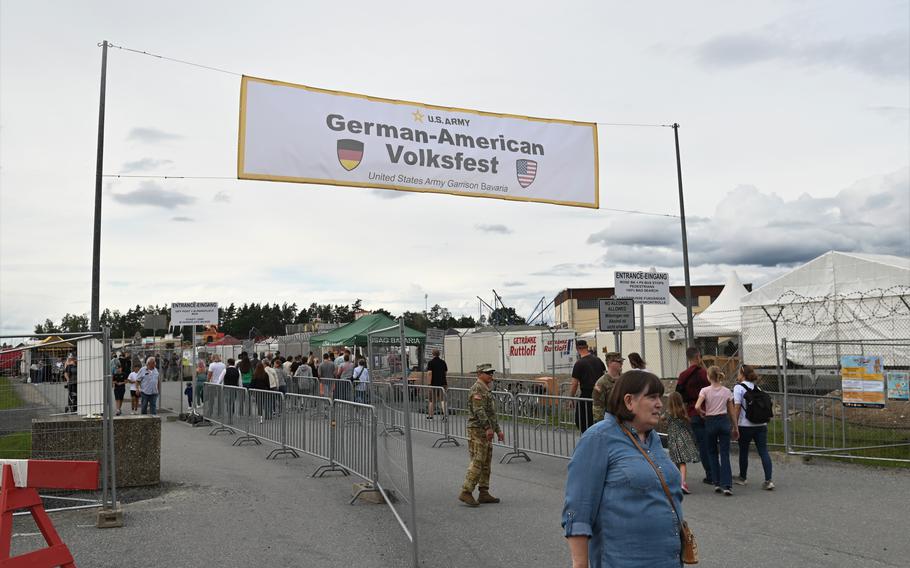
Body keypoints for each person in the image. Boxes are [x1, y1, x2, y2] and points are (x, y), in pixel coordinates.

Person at [563, 371, 683, 568]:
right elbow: (578, 509)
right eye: (652, 397)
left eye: (659, 397)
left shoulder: (653, 439)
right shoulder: (598, 438)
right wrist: (580, 564)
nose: (660, 404)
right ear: (629, 401)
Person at [459, 364, 504, 508]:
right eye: (488, 373)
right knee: (478, 460)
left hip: (486, 430)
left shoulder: (486, 389)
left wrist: (498, 430)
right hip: (477, 430)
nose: (491, 375)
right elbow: (479, 411)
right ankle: (466, 491)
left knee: (486, 462)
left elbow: (491, 413)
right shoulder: (477, 389)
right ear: (479, 374)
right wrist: (487, 428)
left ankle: (484, 492)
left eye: (492, 372)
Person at [695, 366, 739, 495]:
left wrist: (702, 413)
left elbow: (697, 406)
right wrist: (735, 427)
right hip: (723, 421)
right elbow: (731, 411)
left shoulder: (705, 390)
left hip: (710, 421)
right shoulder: (726, 391)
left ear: (708, 377)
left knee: (712, 452)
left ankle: (716, 482)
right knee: (725, 454)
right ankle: (727, 485)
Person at [732, 365, 775, 490]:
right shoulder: (758, 388)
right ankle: (768, 480)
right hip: (761, 424)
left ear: (742, 374)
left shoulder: (738, 388)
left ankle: (743, 477)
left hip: (745, 425)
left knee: (743, 451)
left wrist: (734, 425)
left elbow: (737, 407)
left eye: (738, 373)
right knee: (763, 451)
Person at [676, 347, 711, 485]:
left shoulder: (683, 375)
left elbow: (679, 394)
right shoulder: (705, 373)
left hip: (692, 411)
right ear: (699, 357)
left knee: (702, 444)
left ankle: (709, 473)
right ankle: (716, 472)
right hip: (709, 410)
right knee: (711, 444)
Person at [665, 391, 700, 494]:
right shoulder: (682, 411)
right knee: (682, 462)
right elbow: (688, 423)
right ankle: (682, 482)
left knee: (676, 460)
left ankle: (679, 482)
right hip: (683, 438)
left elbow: (662, 419)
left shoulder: (668, 412)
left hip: (673, 439)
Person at [569, 340, 605, 433]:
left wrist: (571, 398)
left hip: (586, 395)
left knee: (582, 421)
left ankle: (588, 440)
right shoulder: (598, 360)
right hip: (599, 395)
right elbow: (605, 375)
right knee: (598, 421)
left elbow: (574, 384)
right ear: (587, 347)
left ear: (577, 349)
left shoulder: (579, 364)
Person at [591, 352, 624, 423]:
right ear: (610, 363)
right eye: (619, 361)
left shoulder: (624, 379)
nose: (621, 363)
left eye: (621, 361)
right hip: (611, 420)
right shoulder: (601, 383)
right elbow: (598, 408)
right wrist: (600, 426)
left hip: (625, 420)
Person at [426, 349, 448, 420]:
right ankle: (445, 415)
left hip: (433, 384)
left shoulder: (430, 362)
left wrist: (429, 383)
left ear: (432, 354)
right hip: (443, 383)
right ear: (439, 354)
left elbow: (429, 373)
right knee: (442, 400)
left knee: (431, 400)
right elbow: (445, 372)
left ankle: (430, 416)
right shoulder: (443, 362)